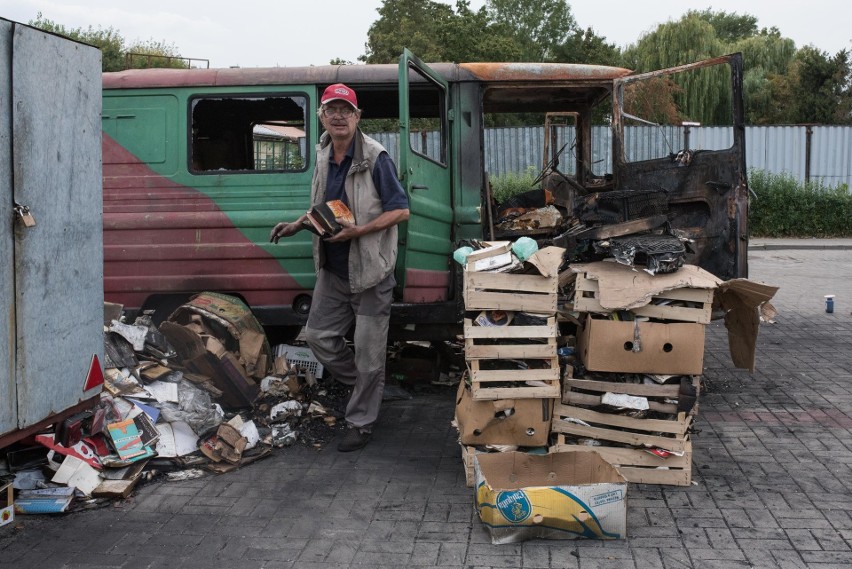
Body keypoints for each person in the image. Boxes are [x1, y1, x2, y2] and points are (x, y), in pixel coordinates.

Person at [270, 83, 410, 452]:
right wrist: (298, 224)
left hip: (370, 273)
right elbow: (323, 205)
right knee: (318, 338)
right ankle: (368, 387)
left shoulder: (376, 157)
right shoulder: (322, 154)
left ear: (357, 116)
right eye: (331, 110)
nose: (338, 116)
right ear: (322, 117)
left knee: (368, 354)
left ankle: (361, 422)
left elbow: (401, 210)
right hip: (332, 270)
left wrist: (359, 232)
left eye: (345, 110)